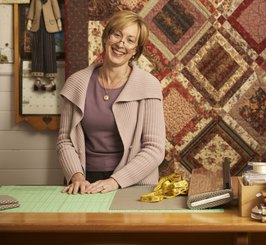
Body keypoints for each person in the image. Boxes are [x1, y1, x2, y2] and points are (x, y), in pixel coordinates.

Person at [57, 10, 166, 195]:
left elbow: (155, 149)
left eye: (130, 40)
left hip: (135, 182)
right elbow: (65, 140)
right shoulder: (76, 83)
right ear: (106, 37)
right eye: (117, 34)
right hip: (86, 180)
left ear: (135, 51)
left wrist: (115, 181)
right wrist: (77, 176)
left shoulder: (149, 85)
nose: (121, 43)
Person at [26, 0, 62, 91]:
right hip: (37, 24)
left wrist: (59, 20)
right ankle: (37, 79)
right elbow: (32, 8)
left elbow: (55, 8)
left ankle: (51, 80)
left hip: (49, 25)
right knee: (37, 49)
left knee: (49, 51)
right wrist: (29, 20)